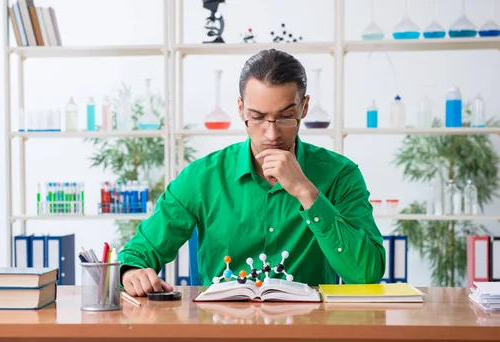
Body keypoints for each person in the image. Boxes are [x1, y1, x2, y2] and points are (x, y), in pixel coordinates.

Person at [117, 49, 386, 297]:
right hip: (221, 332)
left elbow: (366, 274)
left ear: (304, 108)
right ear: (240, 109)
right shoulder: (202, 177)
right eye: (257, 117)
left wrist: (307, 192)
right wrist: (132, 272)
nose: (271, 134)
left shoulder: (340, 174)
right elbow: (139, 253)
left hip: (309, 335)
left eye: (285, 117)